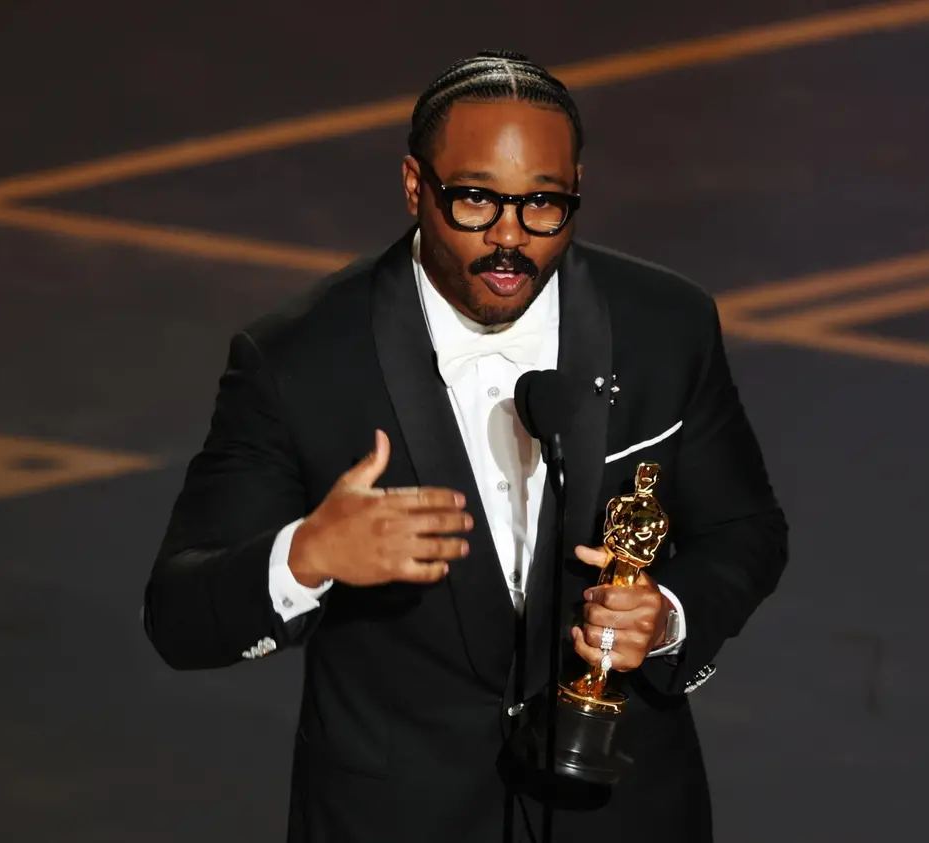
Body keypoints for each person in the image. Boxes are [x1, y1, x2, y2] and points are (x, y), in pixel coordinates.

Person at [142, 49, 788, 843]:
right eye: (476, 201)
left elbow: (745, 531)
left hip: (621, 814)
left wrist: (668, 617)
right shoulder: (300, 362)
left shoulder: (665, 325)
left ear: (577, 185)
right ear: (416, 185)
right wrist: (307, 555)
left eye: (544, 204)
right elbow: (178, 615)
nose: (511, 239)